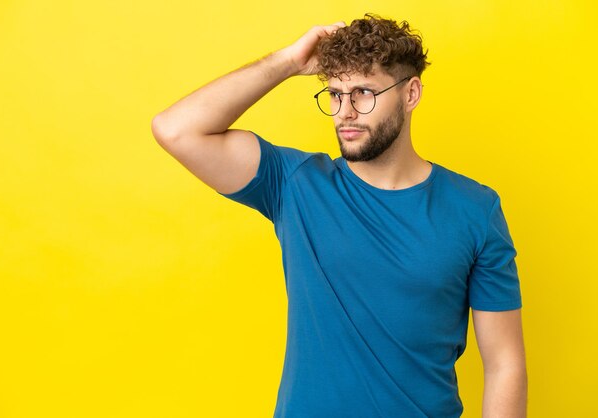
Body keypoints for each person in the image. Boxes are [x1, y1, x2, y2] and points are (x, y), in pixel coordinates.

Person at [151, 13, 527, 418]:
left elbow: (505, 363)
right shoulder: (295, 185)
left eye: (364, 92)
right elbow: (176, 130)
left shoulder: (475, 208)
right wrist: (289, 62)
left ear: (411, 93)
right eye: (335, 94)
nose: (345, 111)